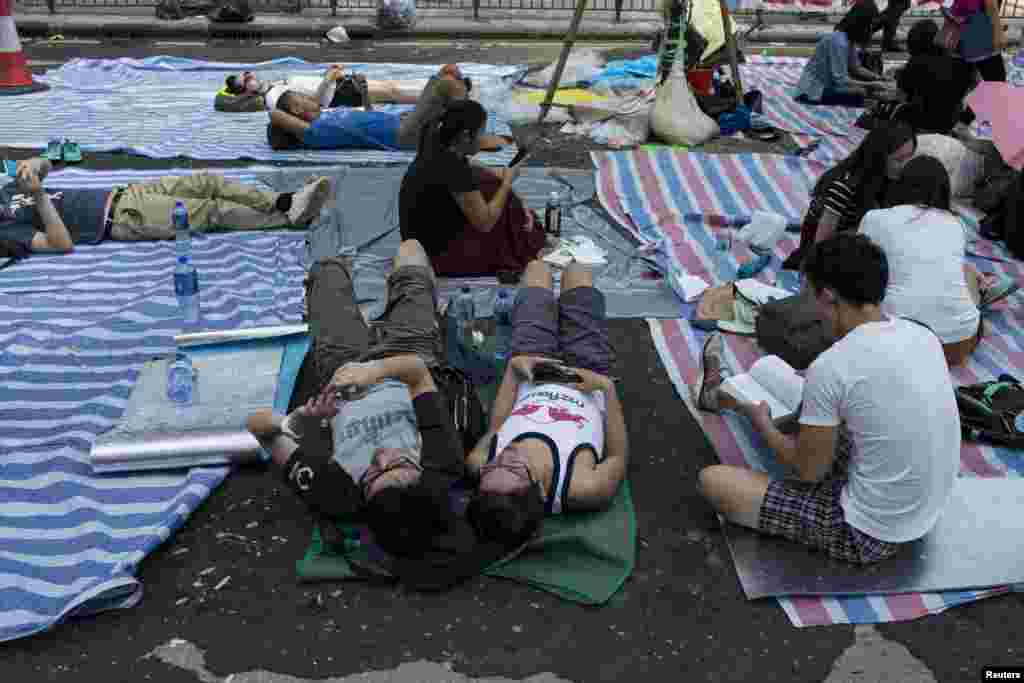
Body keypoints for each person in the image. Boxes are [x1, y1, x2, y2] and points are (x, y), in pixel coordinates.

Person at [693, 233, 960, 564]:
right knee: (775, 373)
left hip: (866, 532)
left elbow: (807, 471)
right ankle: (722, 394)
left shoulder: (833, 367)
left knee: (713, 482)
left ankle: (720, 397)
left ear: (829, 297)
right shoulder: (922, 335)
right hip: (926, 512)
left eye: (810, 295)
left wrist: (763, 425)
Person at [246, 240, 468, 557]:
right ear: (421, 480)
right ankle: (377, 316)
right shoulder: (441, 465)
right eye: (396, 464)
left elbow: (257, 426)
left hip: (342, 366)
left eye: (372, 475)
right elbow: (418, 374)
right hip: (405, 359)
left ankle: (358, 316)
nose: (379, 458)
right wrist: (375, 370)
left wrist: (296, 422)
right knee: (411, 250)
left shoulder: (335, 493)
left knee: (327, 269)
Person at [464, 259, 627, 549]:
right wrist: (606, 388)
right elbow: (617, 456)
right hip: (586, 370)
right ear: (539, 490)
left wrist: (515, 367)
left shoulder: (480, 462)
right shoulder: (582, 486)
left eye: (494, 467)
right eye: (514, 468)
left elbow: (498, 424)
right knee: (578, 273)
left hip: (533, 368)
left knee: (536, 269)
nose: (506, 455)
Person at [862, 155, 1017, 366]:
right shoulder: (955, 223)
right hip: (957, 344)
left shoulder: (875, 218)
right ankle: (979, 294)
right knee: (963, 271)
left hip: (893, 342)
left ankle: (977, 293)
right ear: (944, 190)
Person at [0, 157, 330, 254]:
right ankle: (290, 217)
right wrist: (41, 196)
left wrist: (34, 164)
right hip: (123, 218)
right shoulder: (7, 230)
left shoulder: (4, 192)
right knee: (209, 209)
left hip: (126, 193)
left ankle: (282, 201)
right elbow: (62, 244)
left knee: (207, 180)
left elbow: (45, 166)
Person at [398, 100, 545, 276]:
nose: (484, 139)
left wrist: (496, 174)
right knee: (510, 223)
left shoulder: (435, 137)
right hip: (435, 256)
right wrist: (507, 183)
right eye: (481, 133)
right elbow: (485, 223)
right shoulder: (453, 168)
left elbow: (471, 163)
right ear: (466, 136)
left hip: (415, 239)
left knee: (492, 185)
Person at [266, 64, 512, 153]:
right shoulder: (315, 133)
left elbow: (369, 117)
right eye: (301, 101)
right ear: (296, 114)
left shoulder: (330, 115)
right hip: (402, 135)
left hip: (404, 122)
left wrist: (363, 93)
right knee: (448, 82)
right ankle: (470, 139)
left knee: (449, 71)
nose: (308, 101)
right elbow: (275, 114)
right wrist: (285, 113)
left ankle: (460, 130)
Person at [783, 122, 917, 270]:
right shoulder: (846, 184)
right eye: (898, 160)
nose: (905, 165)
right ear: (879, 157)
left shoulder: (888, 179)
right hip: (827, 253)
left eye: (909, 157)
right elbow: (821, 243)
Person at [794, 2, 894, 107]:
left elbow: (856, 68)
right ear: (862, 23)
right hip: (811, 92)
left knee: (868, 92)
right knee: (862, 93)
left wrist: (879, 78)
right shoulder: (839, 42)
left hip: (827, 86)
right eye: (870, 24)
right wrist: (870, 85)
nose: (871, 28)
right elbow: (841, 80)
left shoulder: (848, 39)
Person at [893, 19, 978, 135]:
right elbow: (981, 92)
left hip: (921, 123)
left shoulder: (915, 63)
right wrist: (964, 121)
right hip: (951, 122)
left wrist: (901, 78)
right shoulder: (965, 64)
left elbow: (900, 97)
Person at [219, 66, 422, 113]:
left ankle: (435, 91)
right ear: (247, 91)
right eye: (246, 80)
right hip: (339, 94)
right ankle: (437, 95)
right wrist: (328, 79)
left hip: (338, 84)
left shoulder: (276, 84)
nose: (250, 76)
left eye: (247, 73)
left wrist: (331, 75)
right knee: (394, 93)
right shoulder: (274, 97)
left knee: (392, 86)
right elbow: (314, 106)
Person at [941, 0, 1007, 83]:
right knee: (996, 83)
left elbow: (944, 7)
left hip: (958, 36)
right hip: (979, 34)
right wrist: (998, 32)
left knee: (960, 83)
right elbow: (991, 4)